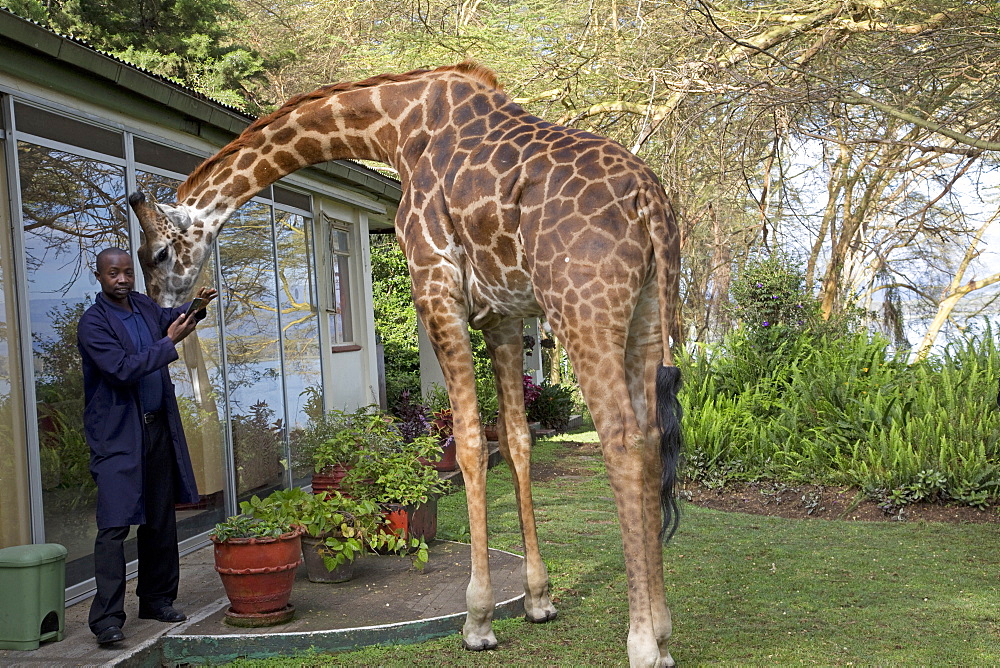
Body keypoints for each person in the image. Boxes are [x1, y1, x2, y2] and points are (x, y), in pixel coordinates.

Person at [77, 247, 217, 646]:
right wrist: (169, 342)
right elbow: (122, 370)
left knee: (159, 518)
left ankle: (157, 599)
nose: (122, 279)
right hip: (118, 437)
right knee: (114, 525)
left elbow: (170, 322)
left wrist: (196, 307)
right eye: (113, 274)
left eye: (126, 273)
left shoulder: (141, 306)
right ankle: (106, 619)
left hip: (157, 430)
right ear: (99, 277)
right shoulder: (93, 324)